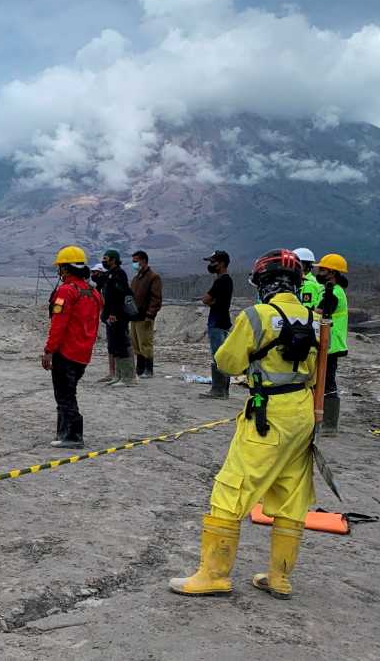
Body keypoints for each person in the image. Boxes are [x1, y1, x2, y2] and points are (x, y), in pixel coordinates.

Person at [169, 249, 317, 601]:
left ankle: (214, 574)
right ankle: (280, 578)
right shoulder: (313, 317)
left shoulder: (257, 316)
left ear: (263, 283)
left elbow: (228, 362)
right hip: (303, 412)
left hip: (269, 414)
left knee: (231, 489)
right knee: (291, 493)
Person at [43, 246, 103, 449]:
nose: (59, 272)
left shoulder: (66, 292)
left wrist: (49, 351)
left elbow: (58, 325)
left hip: (65, 353)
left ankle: (73, 435)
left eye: (60, 268)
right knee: (68, 393)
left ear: (66, 269)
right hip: (83, 354)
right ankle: (63, 432)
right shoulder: (94, 293)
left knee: (65, 395)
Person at [315, 253, 350, 437]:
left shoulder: (334, 293)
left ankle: (329, 424)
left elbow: (320, 312)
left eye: (322, 269)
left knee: (327, 382)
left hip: (331, 344)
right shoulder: (332, 290)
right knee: (325, 380)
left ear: (332, 272)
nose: (318, 272)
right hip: (329, 343)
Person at [199, 250, 234, 399]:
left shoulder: (221, 280)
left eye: (213, 262)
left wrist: (211, 301)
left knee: (218, 356)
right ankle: (223, 389)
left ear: (221, 263)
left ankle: (218, 390)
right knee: (222, 356)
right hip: (223, 321)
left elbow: (206, 299)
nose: (211, 265)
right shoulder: (227, 280)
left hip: (217, 322)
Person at [100, 249, 137, 387]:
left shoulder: (119, 274)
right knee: (115, 345)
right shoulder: (110, 274)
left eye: (106, 258)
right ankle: (119, 375)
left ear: (113, 260)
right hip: (111, 316)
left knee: (122, 344)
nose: (104, 261)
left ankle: (129, 378)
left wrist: (114, 313)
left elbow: (120, 296)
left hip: (118, 316)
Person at [129, 250, 163, 378]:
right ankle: (140, 368)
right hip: (135, 315)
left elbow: (156, 298)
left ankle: (149, 370)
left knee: (145, 343)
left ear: (143, 260)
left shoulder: (153, 277)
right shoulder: (136, 278)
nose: (134, 264)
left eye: (135, 261)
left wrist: (150, 314)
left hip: (145, 316)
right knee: (136, 343)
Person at [89, 262, 115, 383]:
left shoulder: (108, 286)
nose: (93, 275)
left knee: (117, 346)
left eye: (95, 272)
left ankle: (117, 373)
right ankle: (113, 372)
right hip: (108, 317)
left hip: (114, 318)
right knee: (111, 346)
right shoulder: (100, 287)